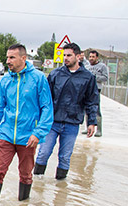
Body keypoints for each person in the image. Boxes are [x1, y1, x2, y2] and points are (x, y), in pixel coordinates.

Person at [0, 43, 53, 202]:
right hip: (6, 134)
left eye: (12, 57)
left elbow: (47, 109)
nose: (8, 61)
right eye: (7, 57)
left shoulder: (38, 79)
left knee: (25, 174)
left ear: (23, 58)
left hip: (29, 137)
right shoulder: (5, 80)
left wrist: (38, 133)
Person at [34, 43, 99, 179]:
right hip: (52, 122)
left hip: (72, 123)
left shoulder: (88, 78)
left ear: (78, 56)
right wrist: (39, 118)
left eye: (69, 55)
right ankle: (37, 182)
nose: (66, 58)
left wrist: (92, 122)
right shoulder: (55, 74)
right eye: (64, 55)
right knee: (44, 152)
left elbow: (92, 102)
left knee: (65, 156)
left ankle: (60, 187)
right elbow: (45, 98)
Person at [81, 50, 108, 137]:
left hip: (96, 90)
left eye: (93, 57)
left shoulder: (102, 66)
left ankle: (99, 130)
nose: (91, 58)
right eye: (90, 57)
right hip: (87, 91)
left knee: (96, 110)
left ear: (97, 57)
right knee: (86, 110)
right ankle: (87, 127)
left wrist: (95, 77)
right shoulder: (87, 67)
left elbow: (105, 78)